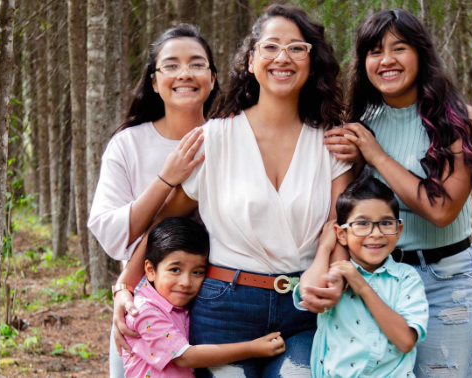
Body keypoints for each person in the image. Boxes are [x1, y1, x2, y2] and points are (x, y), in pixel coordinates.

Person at [112, 5, 354, 378]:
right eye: (271, 47)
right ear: (252, 60)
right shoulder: (215, 138)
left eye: (296, 48)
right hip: (223, 307)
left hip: (304, 310)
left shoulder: (330, 141)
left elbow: (340, 225)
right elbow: (168, 220)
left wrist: (335, 275)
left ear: (311, 60)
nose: (282, 58)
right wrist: (124, 287)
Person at [327, 9, 472, 378]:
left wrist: (376, 156)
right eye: (374, 51)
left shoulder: (459, 120)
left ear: (420, 53)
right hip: (378, 277)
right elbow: (345, 208)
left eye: (398, 48)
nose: (386, 60)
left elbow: (442, 209)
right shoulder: (361, 122)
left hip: (446, 280)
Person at [86, 24, 219, 378]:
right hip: (150, 306)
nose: (185, 74)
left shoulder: (228, 138)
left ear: (212, 77)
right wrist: (166, 178)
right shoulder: (128, 144)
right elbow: (112, 235)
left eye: (196, 64)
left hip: (220, 299)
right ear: (154, 80)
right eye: (171, 65)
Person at [295, 172, 429, 378]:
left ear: (398, 229)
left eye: (386, 223)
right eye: (363, 224)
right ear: (342, 234)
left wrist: (363, 288)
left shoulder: (406, 278)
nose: (376, 233)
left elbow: (406, 341)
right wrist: (325, 246)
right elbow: (309, 293)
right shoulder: (336, 272)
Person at [122, 217, 285, 378]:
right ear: (150, 270)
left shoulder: (179, 303)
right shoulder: (144, 312)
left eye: (197, 272)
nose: (186, 282)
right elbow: (185, 357)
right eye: (175, 270)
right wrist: (252, 348)